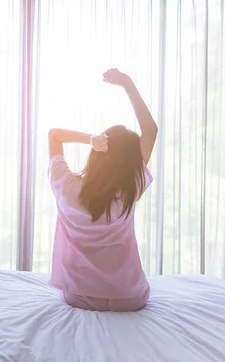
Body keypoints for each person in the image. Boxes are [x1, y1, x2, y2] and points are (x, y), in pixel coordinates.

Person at [47, 68, 158, 312]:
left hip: (80, 296)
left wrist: (90, 139)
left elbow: (54, 135)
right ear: (131, 164)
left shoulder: (65, 185)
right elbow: (150, 130)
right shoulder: (130, 188)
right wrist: (127, 83)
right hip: (129, 298)